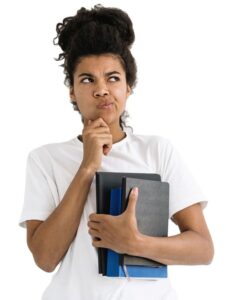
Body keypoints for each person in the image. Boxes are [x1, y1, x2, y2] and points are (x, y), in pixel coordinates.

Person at [19, 4, 214, 300]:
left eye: (113, 78)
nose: (102, 90)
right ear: (72, 90)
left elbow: (203, 248)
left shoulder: (158, 151)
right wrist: (87, 167)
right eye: (87, 79)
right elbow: (45, 258)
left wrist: (135, 243)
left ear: (128, 86)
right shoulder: (45, 159)